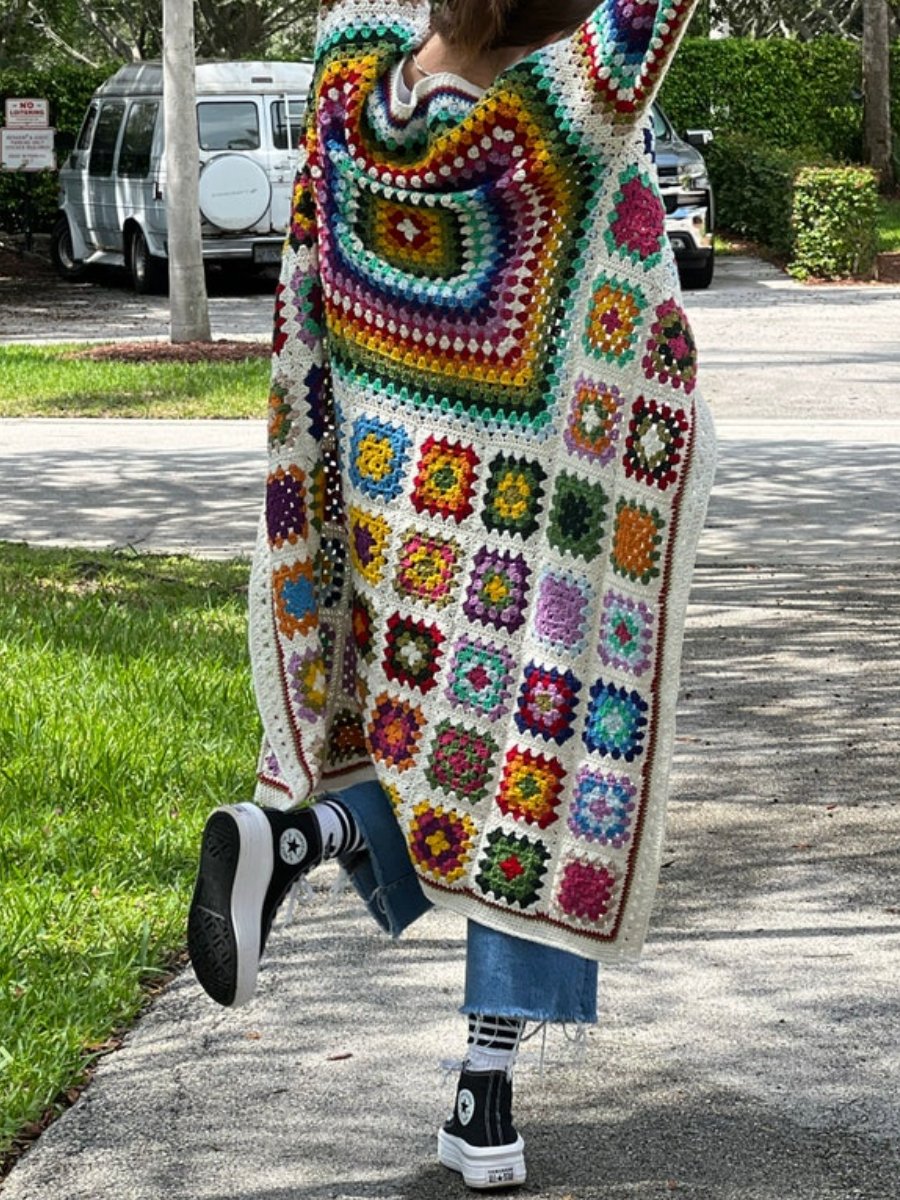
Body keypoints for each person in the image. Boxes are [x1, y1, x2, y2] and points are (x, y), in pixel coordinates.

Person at [188, 0, 716, 1189]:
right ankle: (484, 1092)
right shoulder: (569, 102)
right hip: (539, 504)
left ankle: (302, 831)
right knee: (538, 776)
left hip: (396, 499)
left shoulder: (343, 75)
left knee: (451, 754)